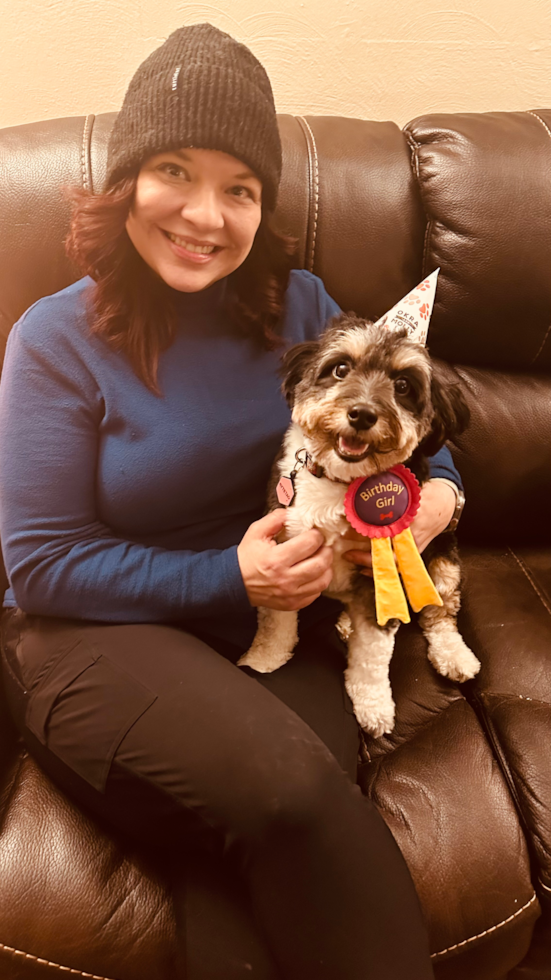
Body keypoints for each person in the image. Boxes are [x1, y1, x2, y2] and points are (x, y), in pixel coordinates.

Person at [0, 24, 462, 980]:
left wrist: (438, 503)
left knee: (260, 828)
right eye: (174, 170)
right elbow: (39, 566)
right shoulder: (53, 340)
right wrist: (230, 571)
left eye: (239, 188)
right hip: (92, 633)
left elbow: (421, 428)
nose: (205, 214)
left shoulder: (301, 307)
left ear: (263, 205)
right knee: (291, 793)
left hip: (268, 622)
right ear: (125, 180)